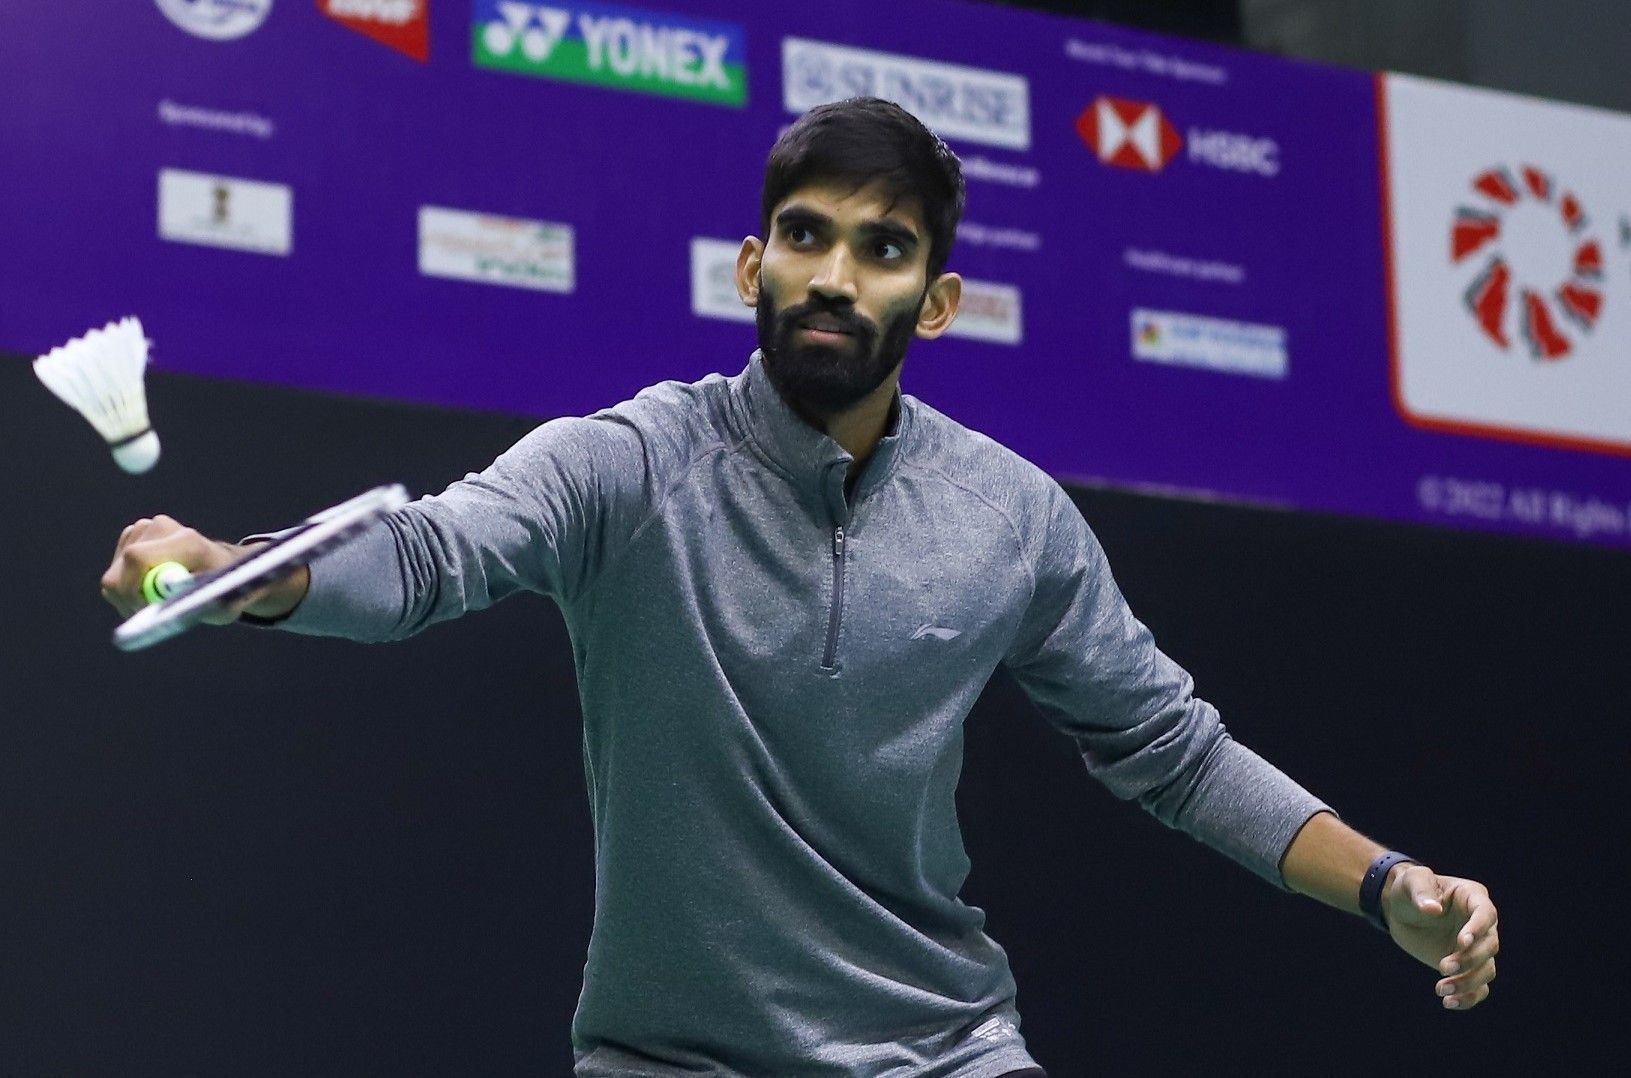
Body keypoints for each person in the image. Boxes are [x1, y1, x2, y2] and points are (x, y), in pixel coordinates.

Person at [101, 98, 1498, 1077]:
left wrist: (1385, 885)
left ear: (933, 302)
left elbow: (1172, 751)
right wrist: (245, 574)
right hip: (671, 1057)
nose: (836, 274)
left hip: (946, 1046)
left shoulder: (1012, 516)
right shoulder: (629, 461)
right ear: (751, 265)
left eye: (883, 247)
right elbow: (430, 556)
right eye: (808, 235)